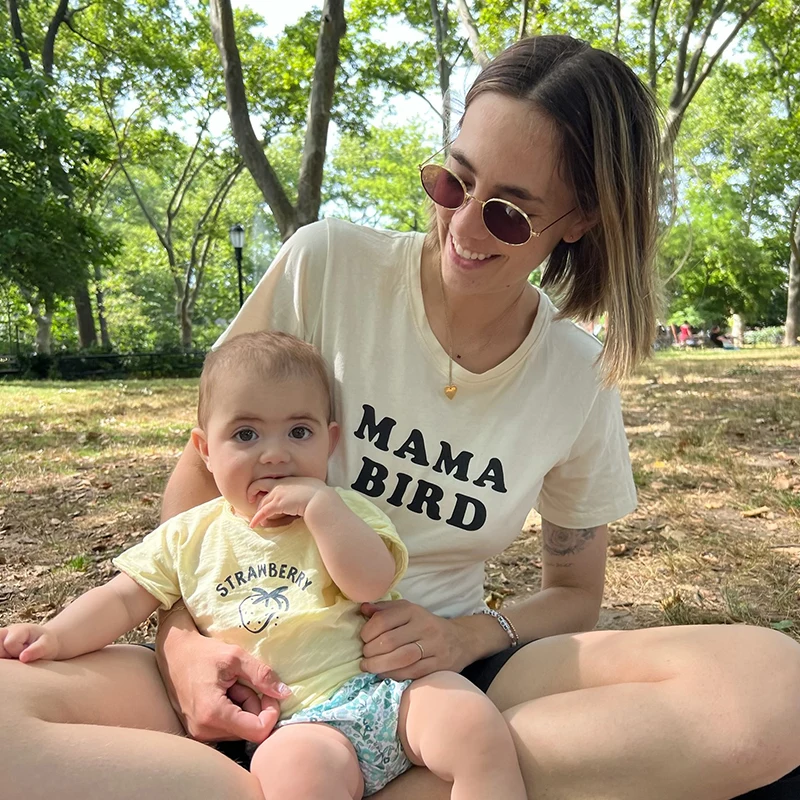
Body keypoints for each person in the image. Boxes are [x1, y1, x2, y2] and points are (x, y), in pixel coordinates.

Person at [2, 33, 800, 800]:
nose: (461, 224)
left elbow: (572, 595)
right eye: (454, 181)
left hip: (432, 687)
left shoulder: (575, 373)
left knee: (774, 688)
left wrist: (466, 638)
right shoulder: (328, 265)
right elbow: (201, 472)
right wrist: (184, 646)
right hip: (246, 661)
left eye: (510, 214)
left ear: (581, 221)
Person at [0, 331, 526, 800]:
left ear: (331, 441)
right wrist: (55, 634)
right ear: (206, 450)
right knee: (293, 777)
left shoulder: (345, 511)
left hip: (387, 692)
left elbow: (370, 580)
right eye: (246, 435)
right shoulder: (189, 535)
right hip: (294, 722)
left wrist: (322, 510)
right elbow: (121, 598)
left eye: (299, 432)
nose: (274, 455)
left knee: (472, 723)